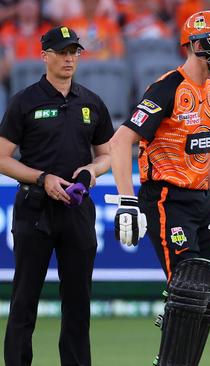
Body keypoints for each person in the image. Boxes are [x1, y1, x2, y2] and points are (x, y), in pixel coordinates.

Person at [108, 10, 210, 365]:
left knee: (208, 299)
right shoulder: (168, 87)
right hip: (167, 198)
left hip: (200, 200)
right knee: (188, 288)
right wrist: (126, 201)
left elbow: (208, 146)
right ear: (199, 45)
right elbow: (120, 142)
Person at [0, 26, 113, 365]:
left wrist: (92, 171)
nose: (69, 58)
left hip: (77, 211)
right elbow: (2, 158)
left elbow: (106, 155)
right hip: (35, 210)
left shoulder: (91, 102)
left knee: (78, 302)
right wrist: (42, 178)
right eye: (62, 51)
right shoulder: (25, 101)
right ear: (44, 55)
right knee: (24, 301)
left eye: (74, 51)